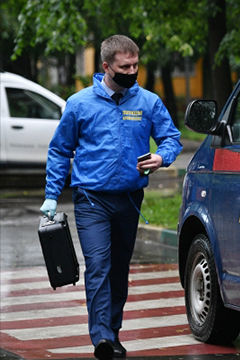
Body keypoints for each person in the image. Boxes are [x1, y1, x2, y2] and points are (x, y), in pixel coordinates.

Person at [39, 35, 182, 360]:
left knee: (118, 270)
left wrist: (162, 157)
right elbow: (60, 150)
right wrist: (51, 195)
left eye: (135, 65)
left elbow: (171, 137)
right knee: (99, 265)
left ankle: (112, 333)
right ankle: (101, 336)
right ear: (106, 67)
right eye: (125, 66)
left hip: (130, 200)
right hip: (91, 200)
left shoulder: (147, 102)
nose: (132, 71)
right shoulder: (79, 104)